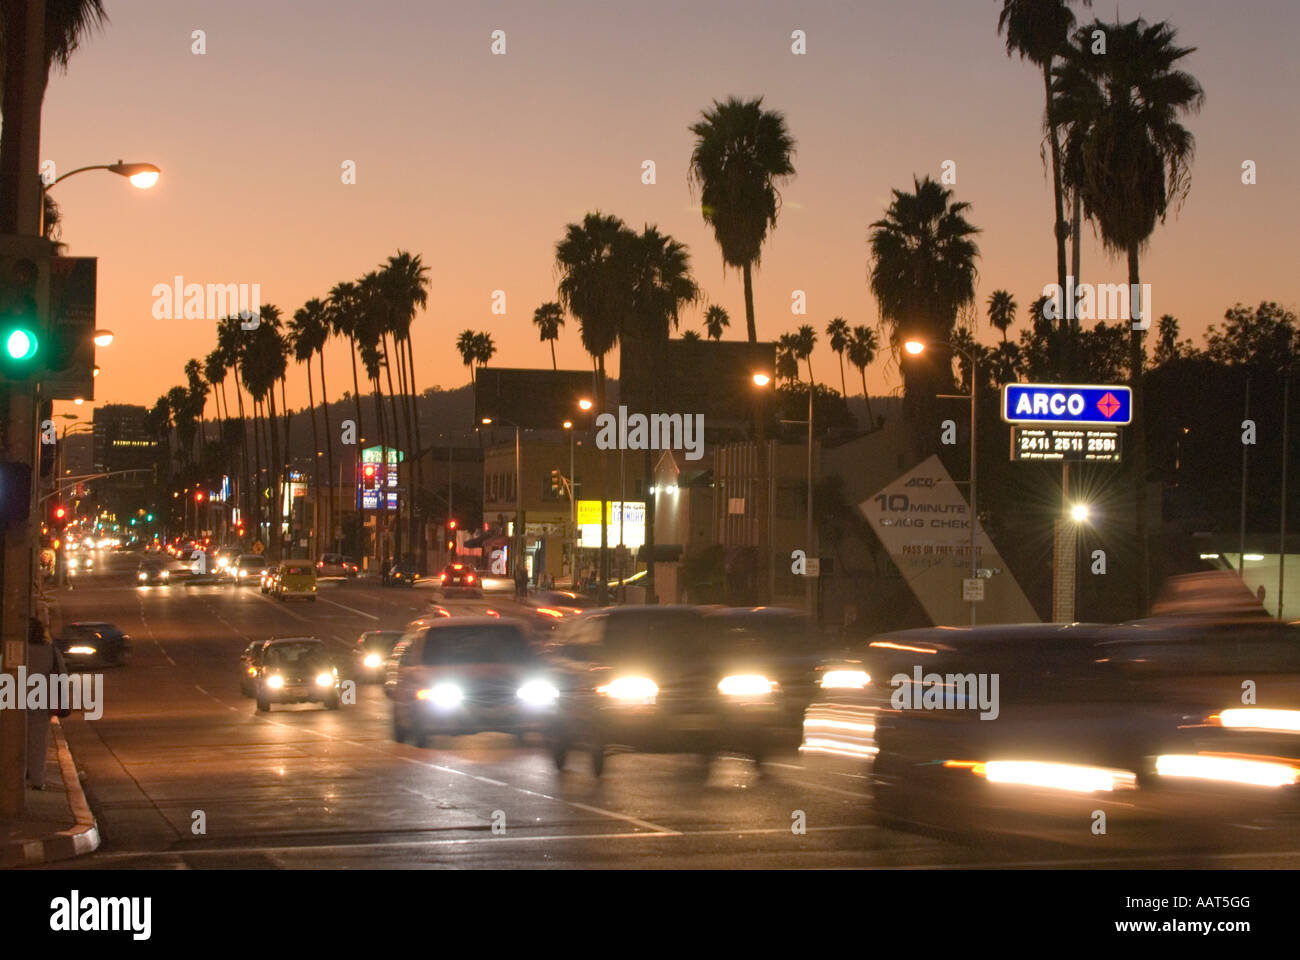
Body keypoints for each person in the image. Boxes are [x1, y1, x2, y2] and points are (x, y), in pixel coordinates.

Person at [26, 617, 66, 791]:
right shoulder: (51, 651)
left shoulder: (14, 649)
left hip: (12, 700)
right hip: (42, 700)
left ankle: (16, 776)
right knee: (39, 742)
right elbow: (62, 674)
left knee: (14, 740)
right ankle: (37, 779)